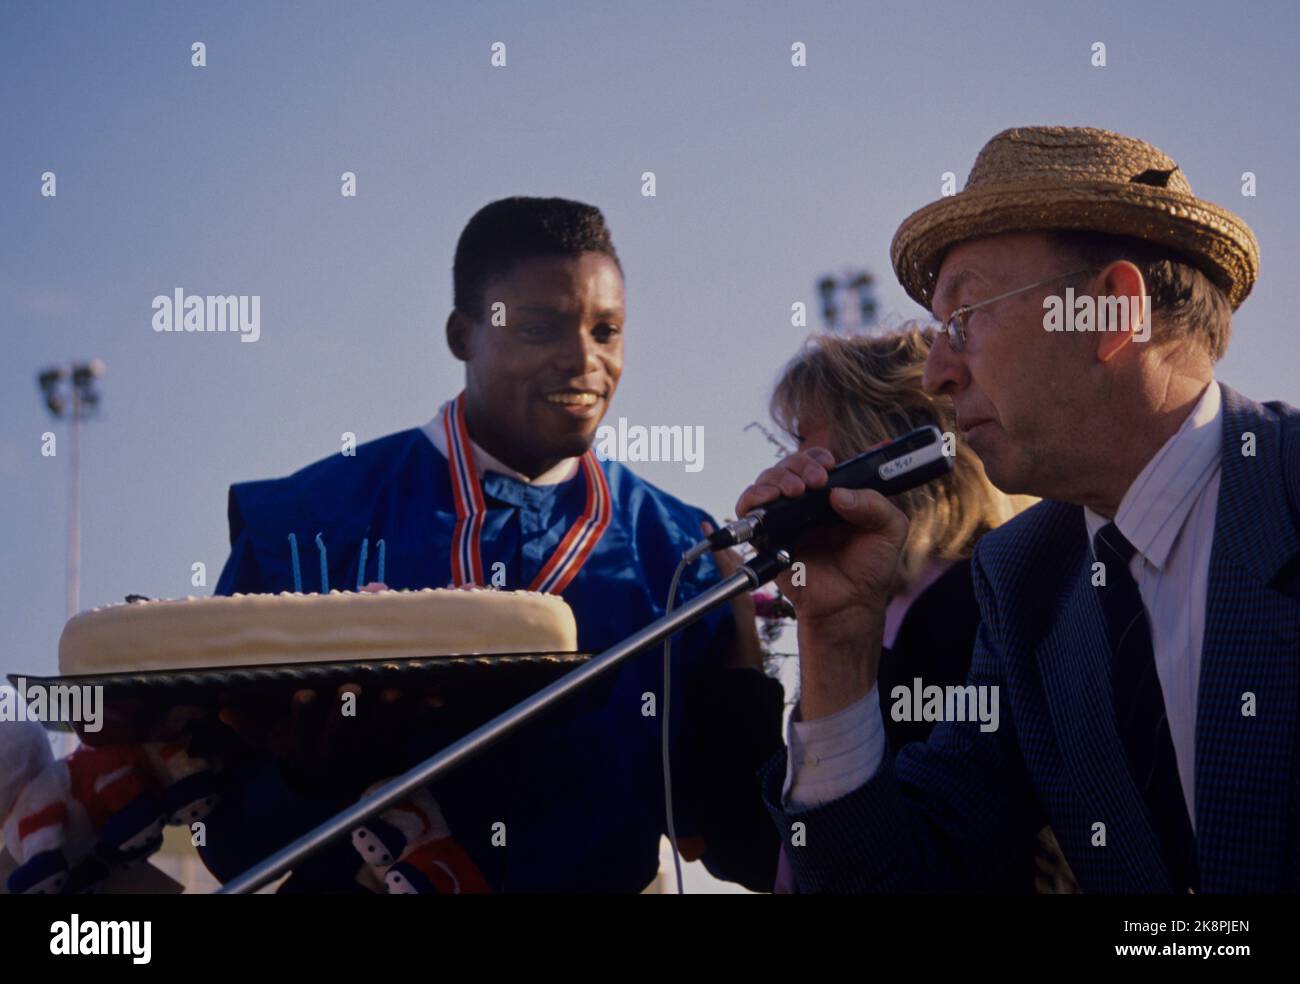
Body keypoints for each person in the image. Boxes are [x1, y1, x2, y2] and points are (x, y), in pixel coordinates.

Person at [14, 197, 783, 895]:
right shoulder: (305, 519)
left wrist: (760, 678)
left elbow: (739, 844)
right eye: (541, 327)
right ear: (462, 334)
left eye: (606, 330)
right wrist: (307, 781)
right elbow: (223, 840)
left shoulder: (680, 546)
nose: (585, 360)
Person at [739, 126, 1299, 893]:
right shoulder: (1024, 577)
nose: (936, 373)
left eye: (965, 320)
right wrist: (836, 644)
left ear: (1110, 312)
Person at [766, 328, 1075, 893]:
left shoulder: (963, 607)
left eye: (807, 439)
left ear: (887, 447)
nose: (793, 466)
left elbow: (885, 855)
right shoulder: (918, 602)